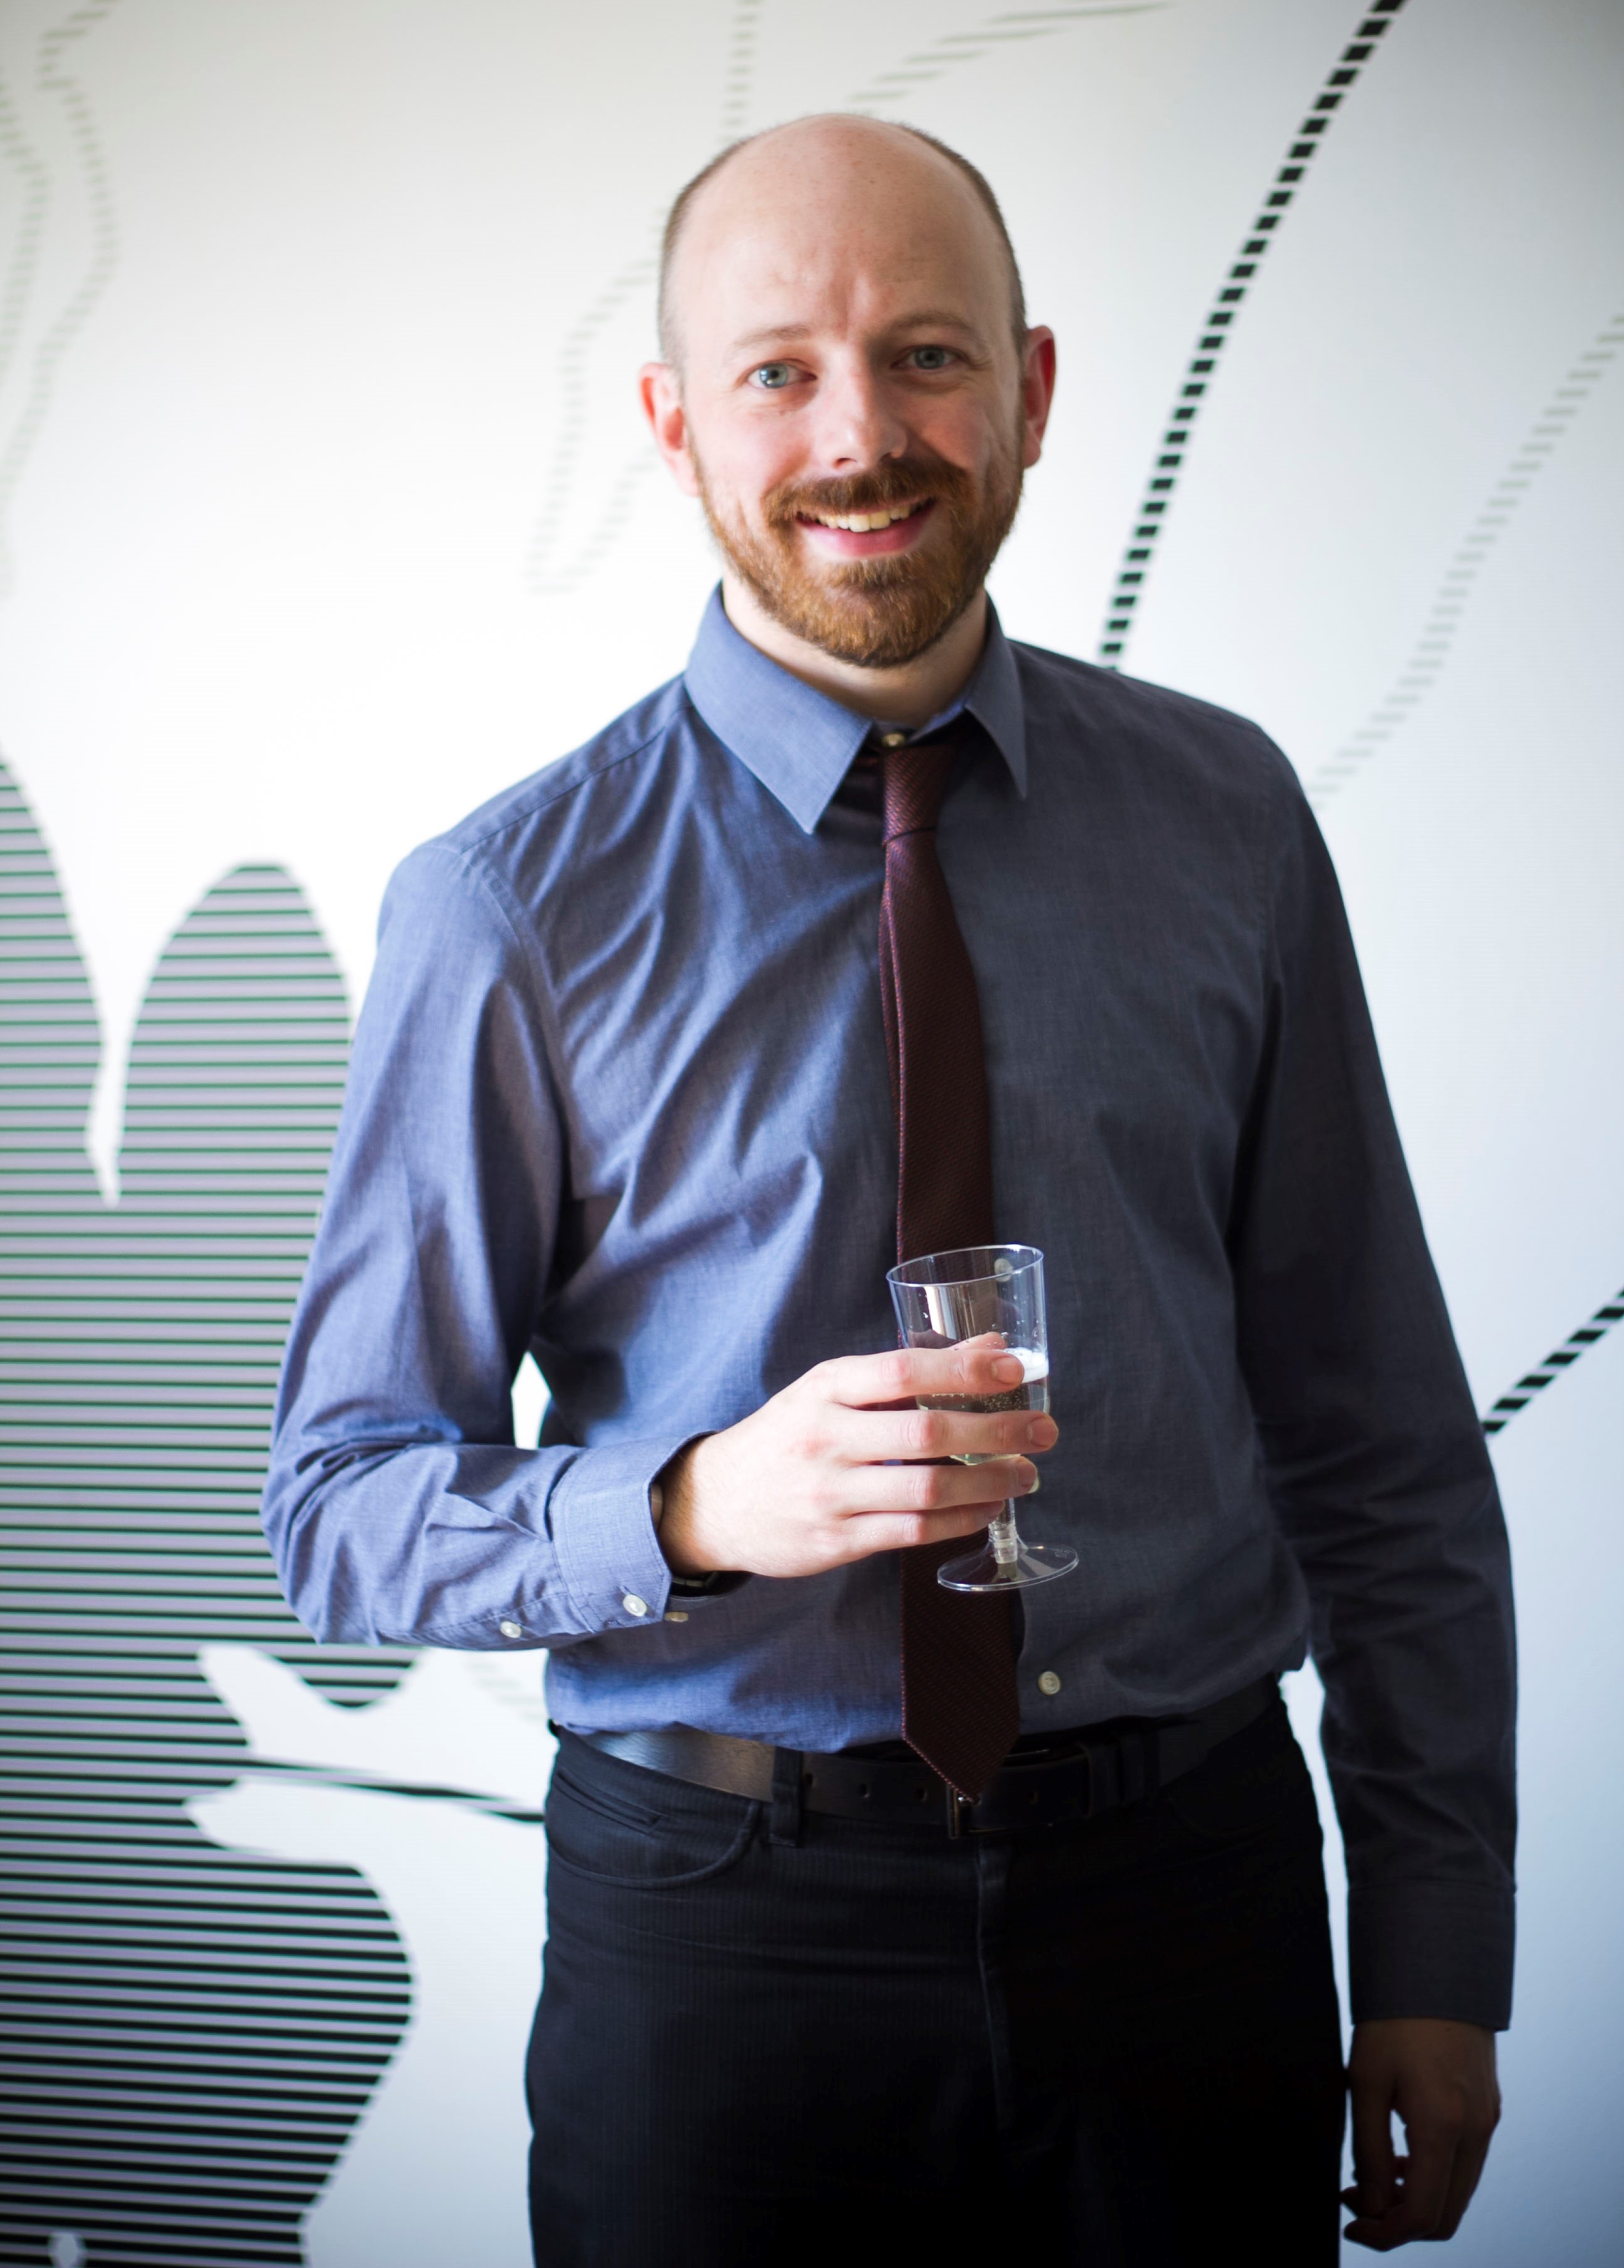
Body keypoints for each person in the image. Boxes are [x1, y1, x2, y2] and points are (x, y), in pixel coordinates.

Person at [265, 115, 1514, 2265]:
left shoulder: (1230, 822)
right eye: (779, 371)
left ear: (1032, 387)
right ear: (673, 424)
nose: (864, 435)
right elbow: (338, 1511)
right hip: (727, 1948)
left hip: (1194, 1904)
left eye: (926, 356)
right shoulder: (507, 910)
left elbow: (1376, 1436)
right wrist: (678, 1513)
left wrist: (1434, 1941)